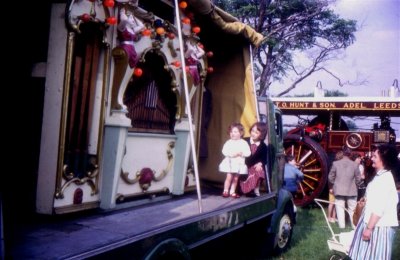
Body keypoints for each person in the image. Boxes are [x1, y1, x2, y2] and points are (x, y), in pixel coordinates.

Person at [349, 144, 399, 260]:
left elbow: (379, 208)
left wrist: (369, 229)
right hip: (370, 222)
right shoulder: (379, 176)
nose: (371, 158)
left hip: (378, 227)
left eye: (375, 156)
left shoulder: (385, 179)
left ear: (384, 160)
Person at [328, 146, 362, 229]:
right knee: (352, 210)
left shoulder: (335, 164)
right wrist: (357, 185)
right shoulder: (355, 164)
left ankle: (341, 227)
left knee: (340, 209)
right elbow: (358, 178)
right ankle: (354, 227)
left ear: (342, 153)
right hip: (352, 190)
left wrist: (334, 184)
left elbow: (330, 177)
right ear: (350, 154)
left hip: (339, 189)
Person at [219, 123, 251, 198]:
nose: (233, 134)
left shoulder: (244, 143)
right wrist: (232, 154)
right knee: (229, 177)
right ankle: (225, 190)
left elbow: (248, 152)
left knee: (236, 178)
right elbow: (224, 151)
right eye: (231, 132)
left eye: (235, 132)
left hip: (239, 163)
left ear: (241, 133)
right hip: (230, 163)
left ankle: (232, 191)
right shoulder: (228, 142)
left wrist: (242, 153)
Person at [240, 122, 268, 197]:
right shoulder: (245, 141)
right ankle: (244, 189)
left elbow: (264, 158)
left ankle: (256, 189)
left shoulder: (263, 146)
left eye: (256, 132)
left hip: (253, 166)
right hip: (243, 164)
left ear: (261, 134)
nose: (253, 134)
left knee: (259, 170)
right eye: (252, 131)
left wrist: (260, 163)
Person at [328, 151, 343, 223]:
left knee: (335, 202)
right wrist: (331, 187)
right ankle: (328, 217)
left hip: (338, 186)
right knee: (331, 202)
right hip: (333, 186)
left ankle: (334, 217)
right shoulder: (334, 165)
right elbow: (330, 177)